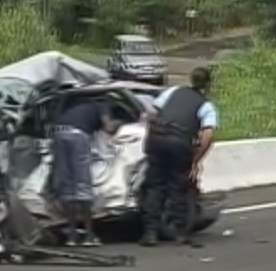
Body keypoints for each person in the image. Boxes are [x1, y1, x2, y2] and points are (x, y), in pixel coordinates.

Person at [138, 65, 220, 248]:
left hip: (157, 139)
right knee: (178, 187)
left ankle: (150, 232)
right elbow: (208, 136)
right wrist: (195, 160)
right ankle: (179, 233)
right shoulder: (206, 106)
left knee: (155, 185)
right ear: (207, 85)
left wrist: (150, 138)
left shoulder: (173, 91)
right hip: (179, 143)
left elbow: (152, 113)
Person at [49, 97, 122, 247]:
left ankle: (72, 236)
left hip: (58, 132)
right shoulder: (101, 104)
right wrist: (120, 122)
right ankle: (89, 236)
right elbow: (109, 128)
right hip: (77, 135)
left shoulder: (73, 103)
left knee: (67, 186)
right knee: (82, 184)